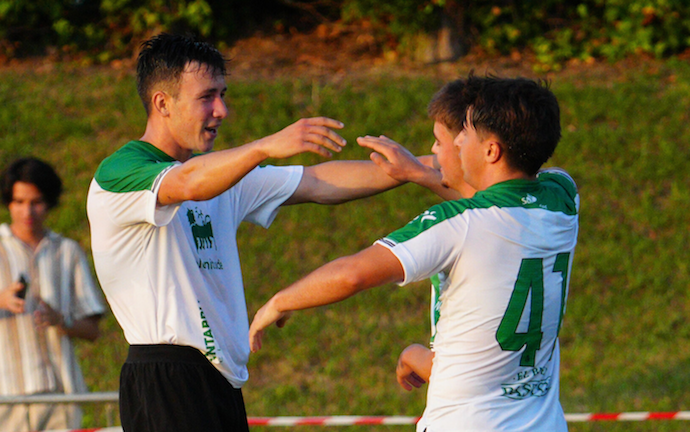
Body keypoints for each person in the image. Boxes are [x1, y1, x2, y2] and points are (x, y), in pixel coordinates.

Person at [86, 33, 447, 432]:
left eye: (223, 93)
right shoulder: (121, 173)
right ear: (162, 103)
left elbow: (317, 182)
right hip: (167, 378)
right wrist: (264, 146)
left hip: (218, 381)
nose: (222, 109)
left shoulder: (220, 175)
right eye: (207, 96)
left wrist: (429, 166)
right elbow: (186, 185)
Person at [249, 75, 579, 431]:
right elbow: (499, 209)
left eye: (463, 134)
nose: (457, 141)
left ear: (491, 151)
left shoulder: (456, 225)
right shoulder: (562, 195)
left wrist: (280, 301)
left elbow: (352, 273)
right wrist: (419, 174)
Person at [0, 157, 105, 432]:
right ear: (8, 201)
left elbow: (93, 330)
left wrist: (61, 320)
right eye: (19, 201)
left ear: (49, 202)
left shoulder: (67, 251)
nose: (27, 211)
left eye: (36, 202)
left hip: (62, 394)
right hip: (6, 396)